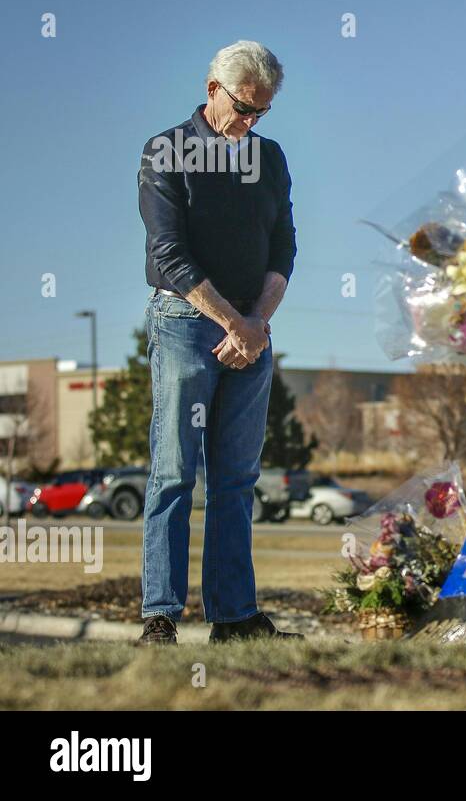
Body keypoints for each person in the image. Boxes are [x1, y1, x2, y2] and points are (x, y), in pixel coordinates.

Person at [135, 40, 300, 645]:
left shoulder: (271, 157)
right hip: (185, 322)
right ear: (212, 90)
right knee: (175, 471)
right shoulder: (166, 152)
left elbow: (284, 246)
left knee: (235, 479)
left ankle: (233, 617)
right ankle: (161, 616)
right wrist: (234, 321)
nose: (250, 123)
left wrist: (255, 323)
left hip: (252, 333)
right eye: (244, 108)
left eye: (262, 113)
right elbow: (169, 253)